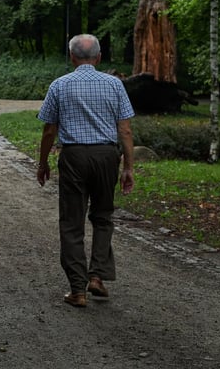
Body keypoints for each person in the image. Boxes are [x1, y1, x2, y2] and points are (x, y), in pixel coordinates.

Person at [36, 34, 135, 308]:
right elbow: (125, 129)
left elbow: (48, 130)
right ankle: (97, 276)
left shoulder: (60, 85)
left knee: (72, 222)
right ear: (99, 57)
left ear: (72, 57)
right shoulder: (115, 84)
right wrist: (128, 167)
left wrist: (43, 163)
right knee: (103, 216)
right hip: (106, 156)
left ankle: (77, 290)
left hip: (74, 156)